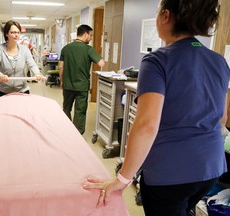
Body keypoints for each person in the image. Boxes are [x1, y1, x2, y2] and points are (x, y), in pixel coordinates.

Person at [83, 0, 230, 215]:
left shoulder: (157, 61)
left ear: (165, 16)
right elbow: (222, 119)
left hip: (170, 175)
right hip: (212, 169)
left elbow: (146, 125)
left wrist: (122, 179)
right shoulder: (219, 61)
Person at [59, 24, 105, 134]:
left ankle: (67, 131)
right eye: (91, 35)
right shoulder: (89, 49)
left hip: (68, 85)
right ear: (85, 34)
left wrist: (62, 81)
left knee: (66, 108)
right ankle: (77, 134)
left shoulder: (66, 48)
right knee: (80, 111)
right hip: (82, 87)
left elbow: (61, 67)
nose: (91, 38)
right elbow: (101, 63)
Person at [0, 20, 43, 98]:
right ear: (6, 34)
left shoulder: (25, 49)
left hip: (22, 91)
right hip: (3, 92)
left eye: (18, 32)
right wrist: (0, 75)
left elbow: (32, 65)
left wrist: (37, 73)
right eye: (12, 32)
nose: (16, 35)